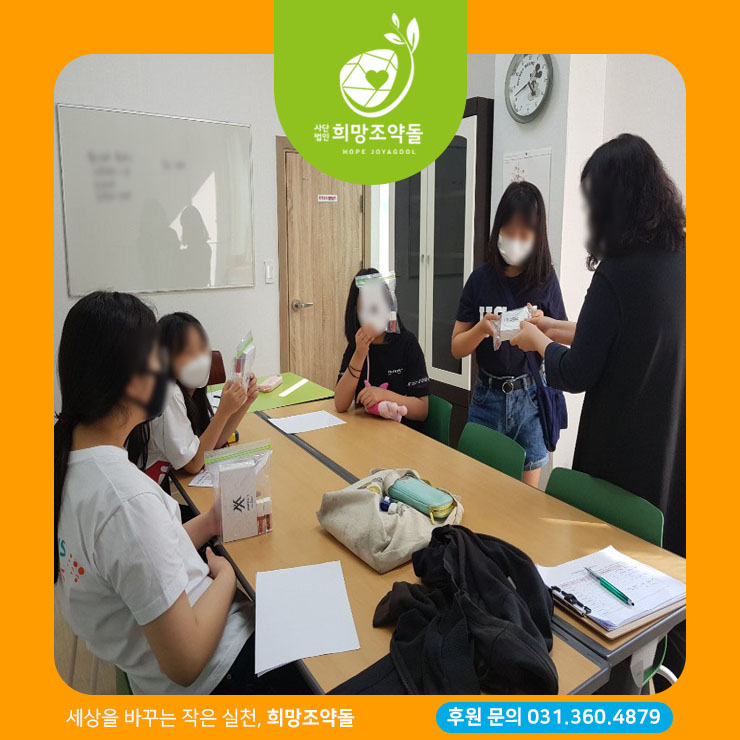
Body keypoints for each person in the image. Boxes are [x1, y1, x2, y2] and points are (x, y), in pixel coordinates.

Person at [54, 291, 305, 694]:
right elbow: (186, 661)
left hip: (164, 660)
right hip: (220, 671)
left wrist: (208, 522)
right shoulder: (126, 500)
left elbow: (143, 557)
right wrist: (227, 577)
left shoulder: (74, 468)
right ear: (129, 378)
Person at [510, 134, 685, 684]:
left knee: (606, 575)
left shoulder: (617, 271)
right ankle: (662, 659)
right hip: (672, 443)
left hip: (622, 447)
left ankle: (602, 675)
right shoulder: (681, 259)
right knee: (658, 566)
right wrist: (554, 328)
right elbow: (611, 337)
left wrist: (537, 343)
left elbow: (578, 371)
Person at [451, 181, 567, 487]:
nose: (515, 240)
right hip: (486, 397)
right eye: (509, 231)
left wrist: (543, 325)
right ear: (497, 229)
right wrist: (480, 329)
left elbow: (561, 338)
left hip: (530, 399)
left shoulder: (545, 280)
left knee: (526, 499)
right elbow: (457, 348)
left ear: (537, 237)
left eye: (524, 235)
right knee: (477, 488)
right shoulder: (479, 280)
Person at [129, 312, 258, 484]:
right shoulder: (168, 393)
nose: (201, 358)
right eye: (189, 352)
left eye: (203, 348)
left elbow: (213, 444)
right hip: (145, 489)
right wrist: (223, 412)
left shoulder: (191, 393)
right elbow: (193, 463)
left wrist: (244, 402)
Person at [334, 268, 429, 429]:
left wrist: (384, 395)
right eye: (366, 308)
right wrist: (359, 354)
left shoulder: (407, 343)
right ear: (356, 312)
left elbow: (422, 410)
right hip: (366, 431)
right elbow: (340, 404)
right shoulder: (356, 346)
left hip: (402, 433)